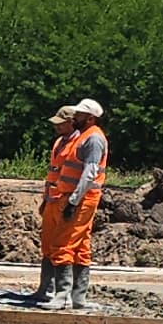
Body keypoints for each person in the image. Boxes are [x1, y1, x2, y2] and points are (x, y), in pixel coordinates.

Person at [36, 99, 106, 308]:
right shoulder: (83, 137)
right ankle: (77, 298)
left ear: (90, 118)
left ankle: (62, 297)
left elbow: (90, 173)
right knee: (80, 247)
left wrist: (74, 201)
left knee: (63, 245)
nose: (75, 117)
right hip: (72, 197)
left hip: (81, 199)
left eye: (80, 115)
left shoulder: (93, 139)